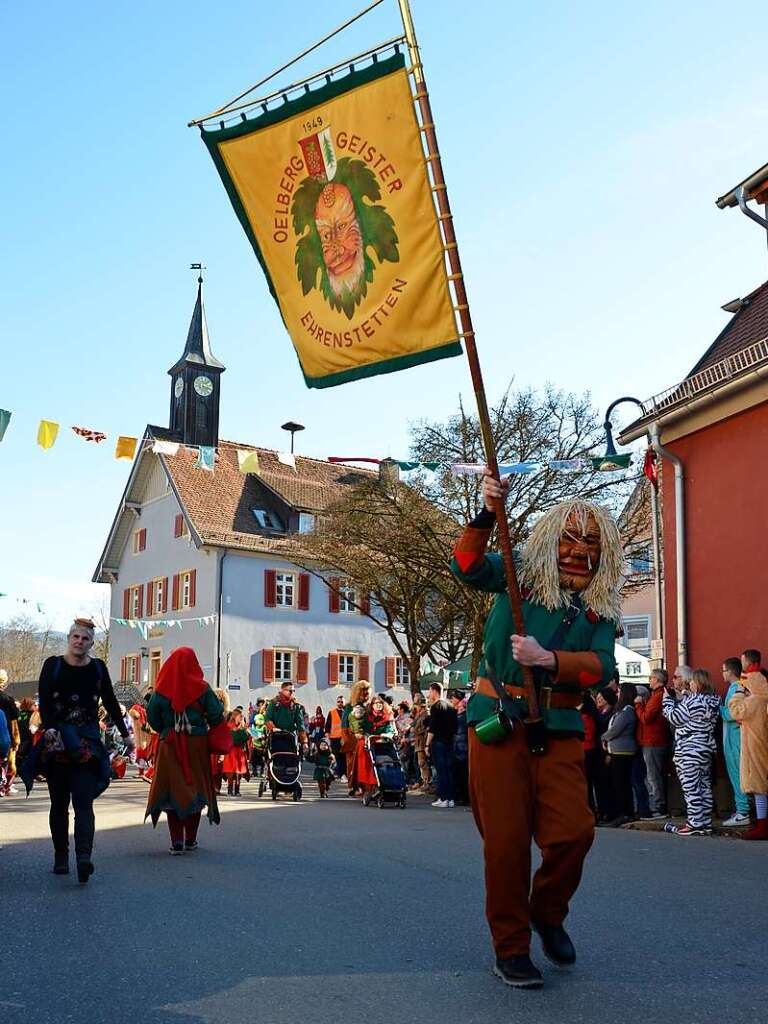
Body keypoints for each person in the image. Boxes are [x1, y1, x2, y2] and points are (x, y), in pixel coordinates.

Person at [451, 474, 621, 988]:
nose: (577, 552)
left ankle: (547, 911)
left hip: (561, 727)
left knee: (575, 832)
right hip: (499, 723)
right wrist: (486, 513)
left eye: (590, 544)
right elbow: (467, 565)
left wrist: (549, 659)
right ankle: (511, 948)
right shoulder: (518, 573)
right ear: (549, 542)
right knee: (504, 845)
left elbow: (603, 667)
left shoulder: (601, 607)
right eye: (568, 540)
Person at [23, 618, 132, 882]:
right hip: (57, 744)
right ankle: (61, 855)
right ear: (69, 639)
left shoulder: (97, 668)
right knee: (59, 804)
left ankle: (84, 857)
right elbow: (45, 700)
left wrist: (126, 734)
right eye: (76, 637)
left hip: (87, 743)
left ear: (91, 643)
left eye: (85, 639)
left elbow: (110, 700)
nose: (79, 642)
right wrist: (49, 728)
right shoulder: (53, 665)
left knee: (83, 803)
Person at [145, 647, 224, 853]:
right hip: (196, 744)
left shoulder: (161, 689)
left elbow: (152, 719)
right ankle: (190, 840)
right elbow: (216, 715)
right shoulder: (203, 688)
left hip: (169, 745)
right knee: (195, 790)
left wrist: (167, 728)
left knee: (172, 791)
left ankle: (176, 842)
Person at [662, 668, 720, 836]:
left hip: (689, 749)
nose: (690, 684)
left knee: (691, 787)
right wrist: (688, 695)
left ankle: (694, 823)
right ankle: (705, 822)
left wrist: (667, 701)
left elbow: (674, 717)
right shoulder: (714, 700)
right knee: (704, 786)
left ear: (699, 683)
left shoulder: (694, 702)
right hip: (705, 748)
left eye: (692, 681)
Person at [727, 667, 768, 840]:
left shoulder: (755, 700)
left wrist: (739, 691)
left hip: (757, 748)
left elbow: (735, 710)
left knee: (760, 789)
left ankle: (762, 826)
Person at [634, 670, 670, 819]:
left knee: (653, 776)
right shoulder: (658, 695)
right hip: (655, 739)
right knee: (655, 775)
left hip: (653, 740)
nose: (649, 680)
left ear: (657, 679)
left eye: (651, 677)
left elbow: (646, 718)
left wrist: (638, 705)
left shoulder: (657, 696)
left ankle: (658, 806)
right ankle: (659, 804)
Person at [720, 658, 751, 827]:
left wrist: (718, 708)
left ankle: (742, 812)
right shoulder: (739, 686)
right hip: (735, 738)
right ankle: (742, 809)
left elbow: (733, 713)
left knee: (737, 776)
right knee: (739, 776)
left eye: (723, 670)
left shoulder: (735, 688)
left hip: (734, 739)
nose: (722, 673)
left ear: (730, 671)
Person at [601, 683, 638, 826]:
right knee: (620, 783)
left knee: (621, 784)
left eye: (620, 692)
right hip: (617, 750)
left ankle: (624, 813)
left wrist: (603, 737)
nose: (617, 694)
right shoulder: (622, 710)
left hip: (622, 751)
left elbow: (615, 730)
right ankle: (623, 812)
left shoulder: (627, 711)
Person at [356, 694, 395, 797]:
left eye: (380, 703)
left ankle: (385, 784)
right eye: (376, 703)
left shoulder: (387, 716)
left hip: (382, 744)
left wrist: (387, 734)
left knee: (386, 761)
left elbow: (390, 729)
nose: (378, 705)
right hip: (368, 744)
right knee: (364, 757)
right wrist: (363, 734)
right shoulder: (367, 717)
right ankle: (367, 786)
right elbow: (360, 728)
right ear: (372, 705)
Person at [426, 682, 458, 808]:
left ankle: (443, 797)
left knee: (441, 770)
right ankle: (450, 799)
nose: (429, 694)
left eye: (430, 691)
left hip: (438, 741)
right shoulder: (451, 706)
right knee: (449, 770)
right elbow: (455, 727)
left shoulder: (436, 706)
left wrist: (427, 744)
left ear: (434, 691)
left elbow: (432, 728)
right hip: (449, 741)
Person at [344, 680, 372, 795]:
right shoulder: (349, 707)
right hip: (352, 739)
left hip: (365, 739)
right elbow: (345, 724)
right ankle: (353, 786)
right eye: (363, 692)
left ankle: (365, 786)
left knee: (365, 764)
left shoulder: (369, 707)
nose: (366, 696)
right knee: (352, 764)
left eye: (367, 693)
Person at [580, 692, 601, 818]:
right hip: (590, 749)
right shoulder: (591, 716)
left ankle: (589, 810)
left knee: (586, 783)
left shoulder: (584, 717)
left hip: (586, 750)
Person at [0, 669, 20, 796]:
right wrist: (15, 739)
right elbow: (14, 719)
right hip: (5, 734)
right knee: (6, 761)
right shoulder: (8, 699)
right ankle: (5, 785)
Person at [222, 708, 250, 796]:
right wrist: (241, 732)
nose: (241, 718)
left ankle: (237, 790)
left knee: (239, 771)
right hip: (231, 752)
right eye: (240, 716)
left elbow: (245, 739)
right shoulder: (229, 726)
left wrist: (244, 731)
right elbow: (235, 740)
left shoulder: (240, 727)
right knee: (230, 772)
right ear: (235, 717)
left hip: (239, 752)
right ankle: (230, 790)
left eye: (242, 716)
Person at [451, 690, 470, 805]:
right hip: (458, 746)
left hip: (462, 747)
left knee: (463, 773)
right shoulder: (458, 713)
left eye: (453, 698)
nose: (451, 700)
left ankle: (464, 797)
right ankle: (460, 796)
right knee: (459, 773)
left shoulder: (463, 714)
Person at [410, 693, 431, 791]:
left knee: (422, 762)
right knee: (420, 763)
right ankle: (424, 782)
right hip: (418, 741)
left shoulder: (425, 714)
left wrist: (414, 730)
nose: (416, 708)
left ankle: (427, 783)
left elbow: (424, 728)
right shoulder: (419, 714)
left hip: (422, 740)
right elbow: (413, 725)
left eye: (417, 706)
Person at [325, 694, 347, 779]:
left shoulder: (347, 712)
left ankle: (343, 773)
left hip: (345, 738)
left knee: (344, 757)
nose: (340, 703)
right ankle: (341, 774)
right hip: (335, 739)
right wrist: (328, 738)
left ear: (344, 703)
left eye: (342, 702)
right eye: (338, 702)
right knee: (337, 757)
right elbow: (327, 726)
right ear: (336, 703)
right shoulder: (332, 713)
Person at [249, 698, 267, 778]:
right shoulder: (255, 713)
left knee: (263, 754)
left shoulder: (266, 713)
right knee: (254, 754)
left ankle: (262, 771)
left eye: (262, 704)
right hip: (255, 733)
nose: (261, 705)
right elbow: (251, 722)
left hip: (263, 734)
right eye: (259, 704)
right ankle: (254, 770)